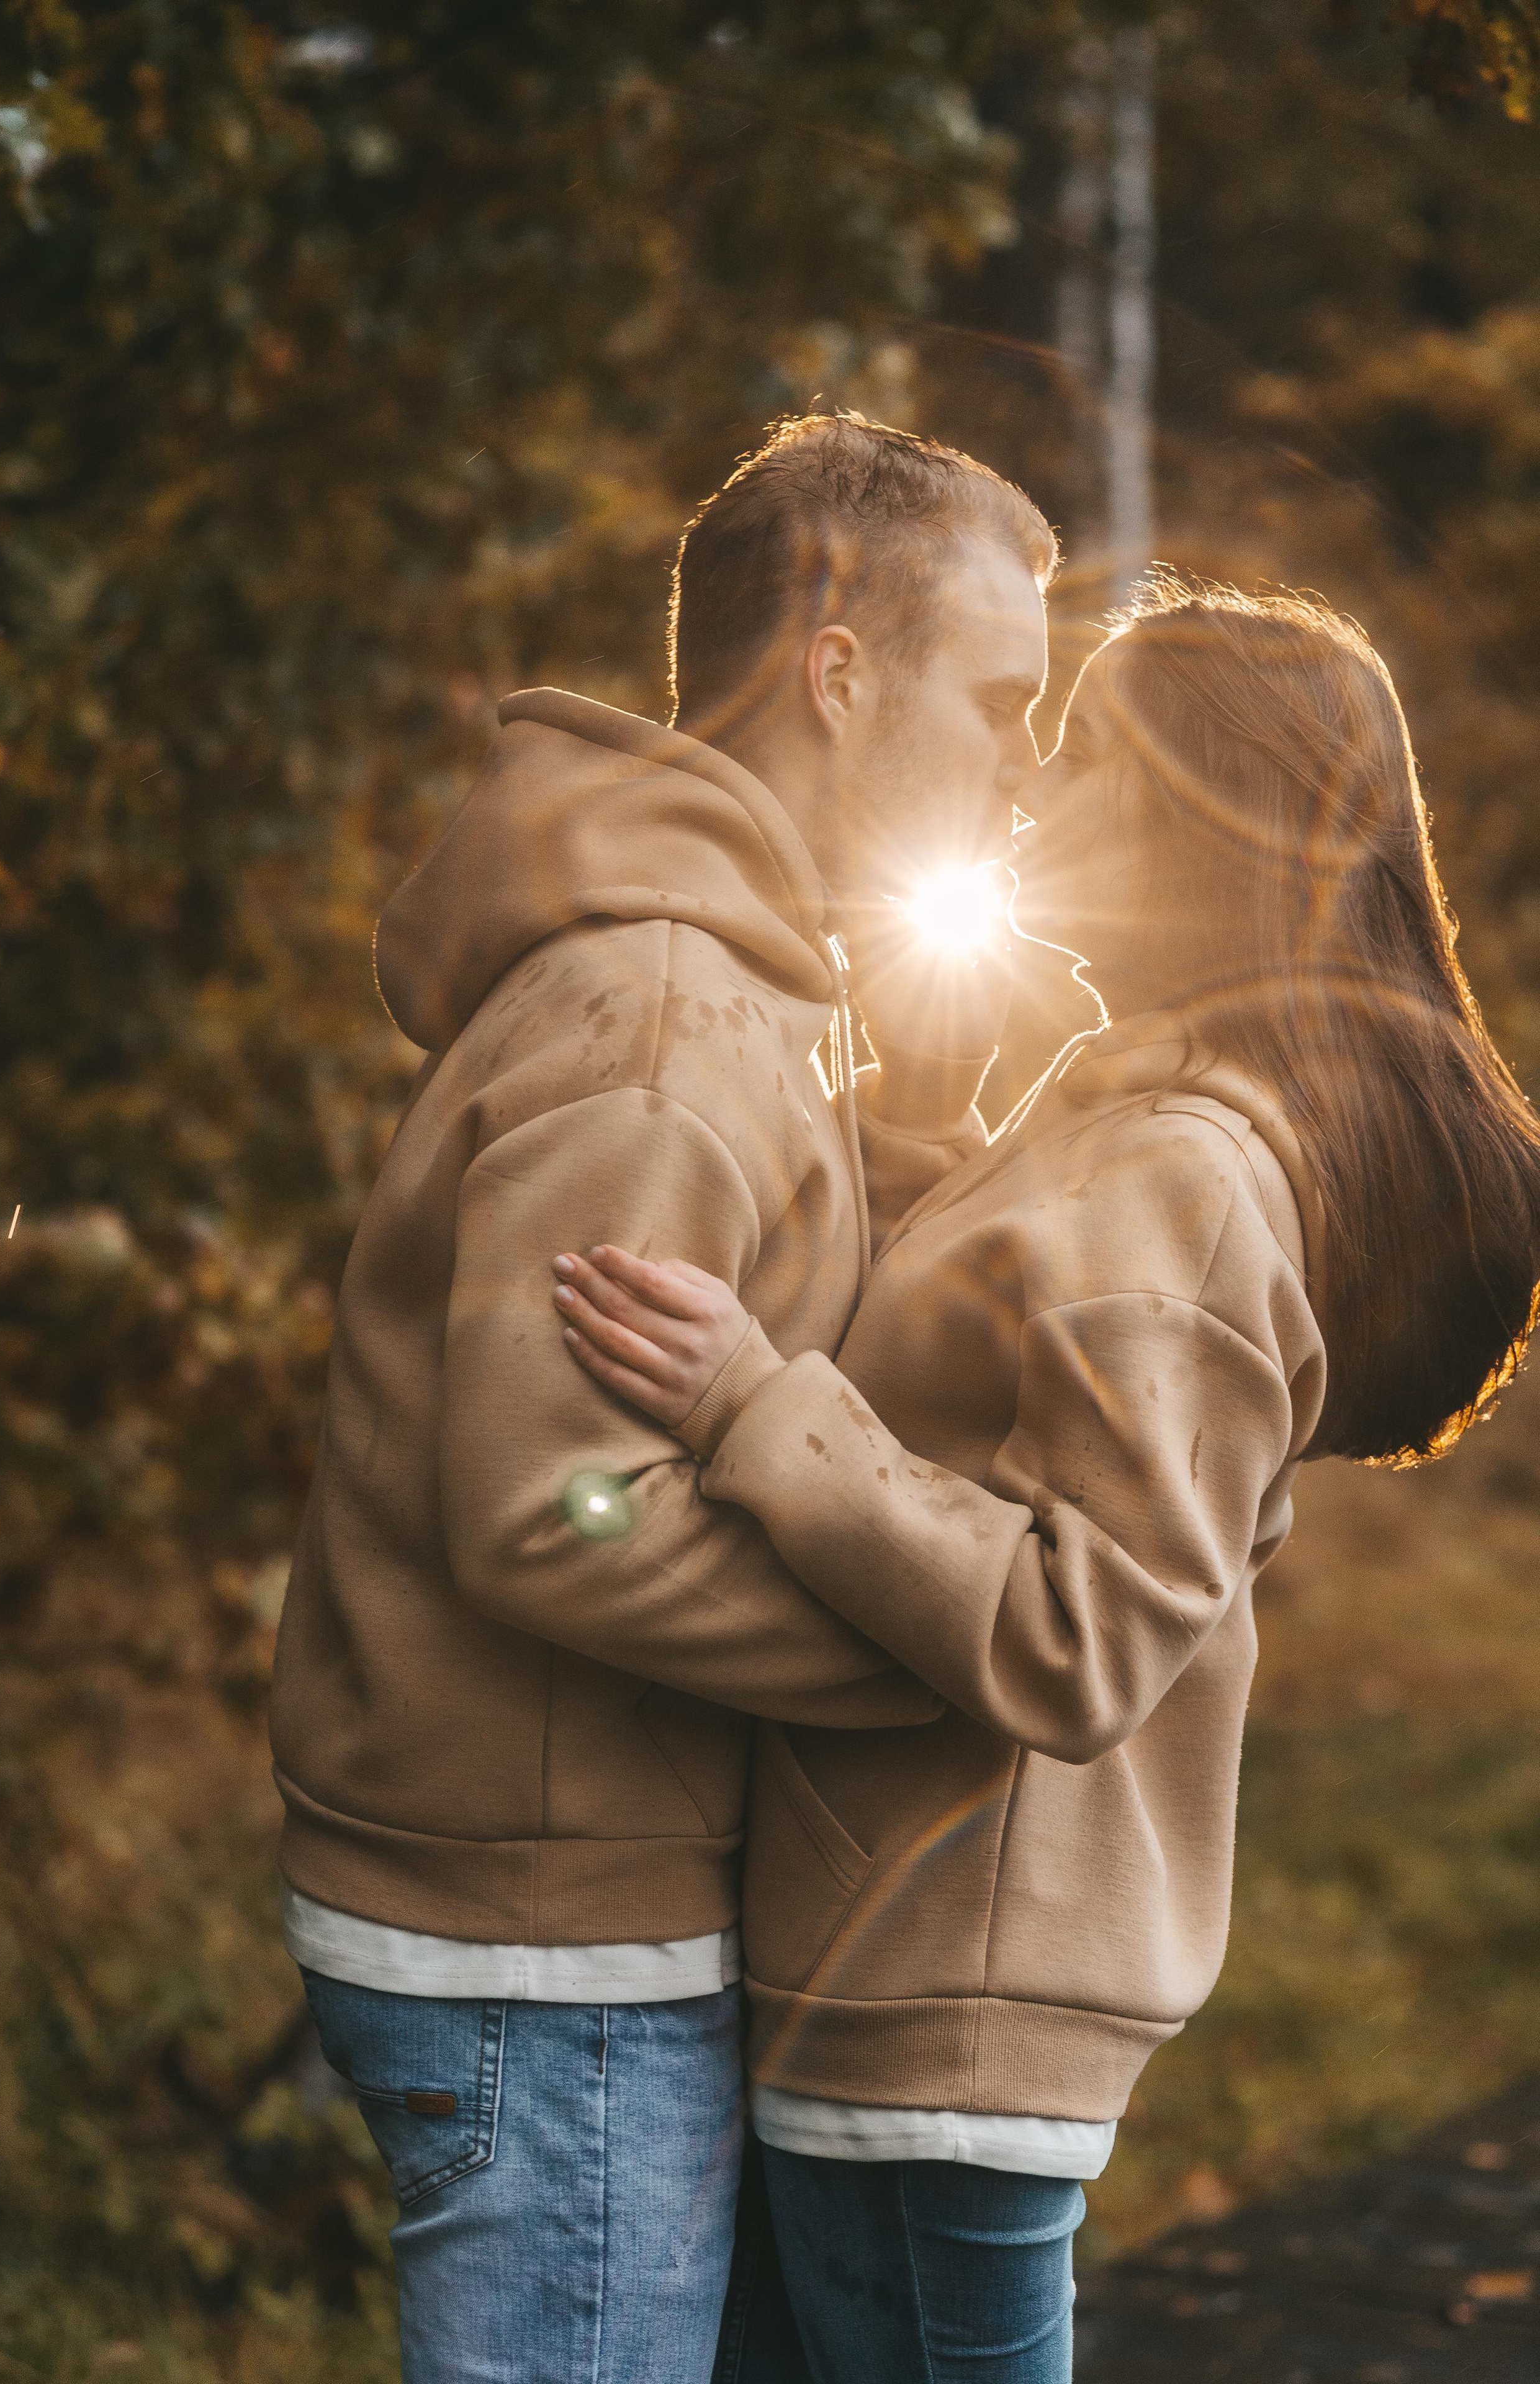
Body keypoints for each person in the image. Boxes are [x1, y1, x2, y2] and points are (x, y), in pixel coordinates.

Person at [555, 576, 1540, 2384]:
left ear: (1198, 823)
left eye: (1077, 760)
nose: (1026, 797)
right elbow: (996, 1376)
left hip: (947, 2016)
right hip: (883, 1984)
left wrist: (758, 1406)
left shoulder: (1181, 1176)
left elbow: (1083, 1638)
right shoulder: (1115, 1122)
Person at [266, 412, 1058, 2383]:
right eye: (1000, 701)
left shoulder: (730, 998)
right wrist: (922, 1656)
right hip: (546, 1948)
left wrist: (899, 1158)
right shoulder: (665, 1019)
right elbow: (555, 1503)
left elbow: (712, 1299)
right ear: (842, 668)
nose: (1029, 764)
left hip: (558, 1906)